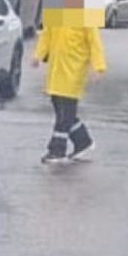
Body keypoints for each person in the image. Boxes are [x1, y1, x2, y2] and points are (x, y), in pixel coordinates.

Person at [32, 26, 107, 163]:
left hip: (73, 72)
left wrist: (98, 67)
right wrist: (38, 55)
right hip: (56, 71)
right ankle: (83, 141)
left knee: (65, 112)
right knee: (61, 109)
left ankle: (57, 150)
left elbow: (94, 43)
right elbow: (46, 35)